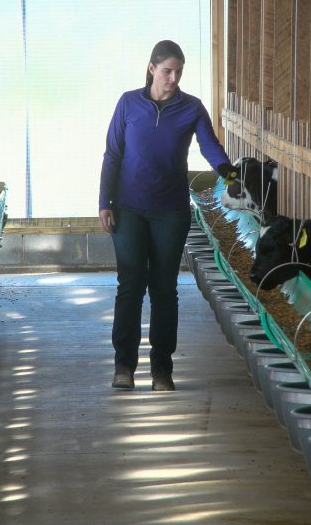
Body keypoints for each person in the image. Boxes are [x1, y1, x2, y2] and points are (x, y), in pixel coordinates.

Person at [98, 40, 239, 391]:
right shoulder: (129, 103)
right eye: (167, 71)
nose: (173, 78)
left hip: (171, 212)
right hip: (128, 209)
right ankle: (124, 366)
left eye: (178, 72)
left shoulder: (191, 108)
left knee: (164, 289)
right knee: (130, 285)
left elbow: (210, 145)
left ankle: (162, 369)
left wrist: (230, 175)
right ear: (151, 69)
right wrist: (105, 201)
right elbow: (112, 154)